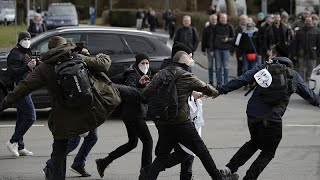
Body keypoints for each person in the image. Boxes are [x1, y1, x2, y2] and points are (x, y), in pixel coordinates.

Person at [0, 36, 122, 180]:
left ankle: (56, 173)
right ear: (65, 45)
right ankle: (77, 164)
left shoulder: (44, 68)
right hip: (87, 111)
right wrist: (105, 56)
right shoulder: (76, 57)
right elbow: (103, 65)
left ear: (50, 50)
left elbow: (22, 88)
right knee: (88, 136)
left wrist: (2, 105)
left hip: (62, 118)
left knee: (59, 152)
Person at [216, 43, 320, 180]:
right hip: (273, 119)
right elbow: (310, 96)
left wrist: (220, 90)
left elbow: (241, 80)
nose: (268, 54)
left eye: (271, 52)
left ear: (275, 54)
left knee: (254, 142)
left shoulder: (263, 68)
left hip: (253, 114)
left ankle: (229, 169)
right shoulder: (293, 75)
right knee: (268, 152)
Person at [139, 50, 225, 180]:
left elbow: (145, 94)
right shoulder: (186, 76)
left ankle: (146, 175)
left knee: (161, 157)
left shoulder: (160, 74)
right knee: (202, 151)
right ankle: (218, 178)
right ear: (185, 64)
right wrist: (216, 92)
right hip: (181, 123)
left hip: (163, 122)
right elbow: (207, 88)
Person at [43, 37, 98, 178]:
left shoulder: (77, 57)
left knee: (92, 137)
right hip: (75, 106)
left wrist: (86, 57)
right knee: (73, 140)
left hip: (87, 103)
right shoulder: (63, 62)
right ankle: (51, 164)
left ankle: (78, 163)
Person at [95, 53, 153, 178]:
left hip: (130, 114)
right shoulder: (133, 75)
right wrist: (139, 83)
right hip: (134, 114)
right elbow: (130, 91)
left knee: (132, 143)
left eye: (147, 63)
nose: (145, 65)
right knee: (148, 142)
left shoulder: (143, 74)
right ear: (137, 64)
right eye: (142, 63)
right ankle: (145, 174)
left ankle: (104, 162)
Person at [5, 31, 37, 157]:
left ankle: (20, 145)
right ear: (19, 40)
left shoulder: (25, 52)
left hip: (26, 87)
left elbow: (26, 68)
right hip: (19, 89)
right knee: (31, 117)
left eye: (28, 38)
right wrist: (28, 66)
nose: (27, 40)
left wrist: (33, 65)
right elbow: (12, 73)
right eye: (24, 38)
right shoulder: (14, 53)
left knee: (21, 117)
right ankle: (13, 141)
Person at [210, 13, 235, 85]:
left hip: (226, 49)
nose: (223, 19)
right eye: (222, 18)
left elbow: (234, 38)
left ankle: (226, 83)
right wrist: (211, 50)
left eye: (224, 18)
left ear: (227, 19)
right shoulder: (215, 27)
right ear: (219, 19)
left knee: (226, 67)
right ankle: (219, 83)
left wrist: (228, 39)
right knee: (218, 67)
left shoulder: (230, 26)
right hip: (217, 49)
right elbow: (211, 39)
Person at [294, 16, 320, 81]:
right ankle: (301, 85)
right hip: (301, 54)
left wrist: (318, 54)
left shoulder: (317, 31)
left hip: (312, 54)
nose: (308, 22)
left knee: (311, 72)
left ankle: (311, 87)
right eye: (307, 21)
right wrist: (295, 54)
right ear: (304, 21)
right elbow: (296, 43)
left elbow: (319, 43)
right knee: (301, 71)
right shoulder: (299, 31)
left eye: (309, 21)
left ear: (312, 21)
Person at [202, 14, 218, 85]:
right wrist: (203, 49)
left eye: (215, 19)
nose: (214, 21)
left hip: (218, 49)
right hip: (209, 49)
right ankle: (211, 81)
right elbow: (204, 39)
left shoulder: (219, 28)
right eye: (213, 19)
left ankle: (218, 81)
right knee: (210, 66)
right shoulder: (206, 29)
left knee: (218, 66)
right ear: (210, 20)